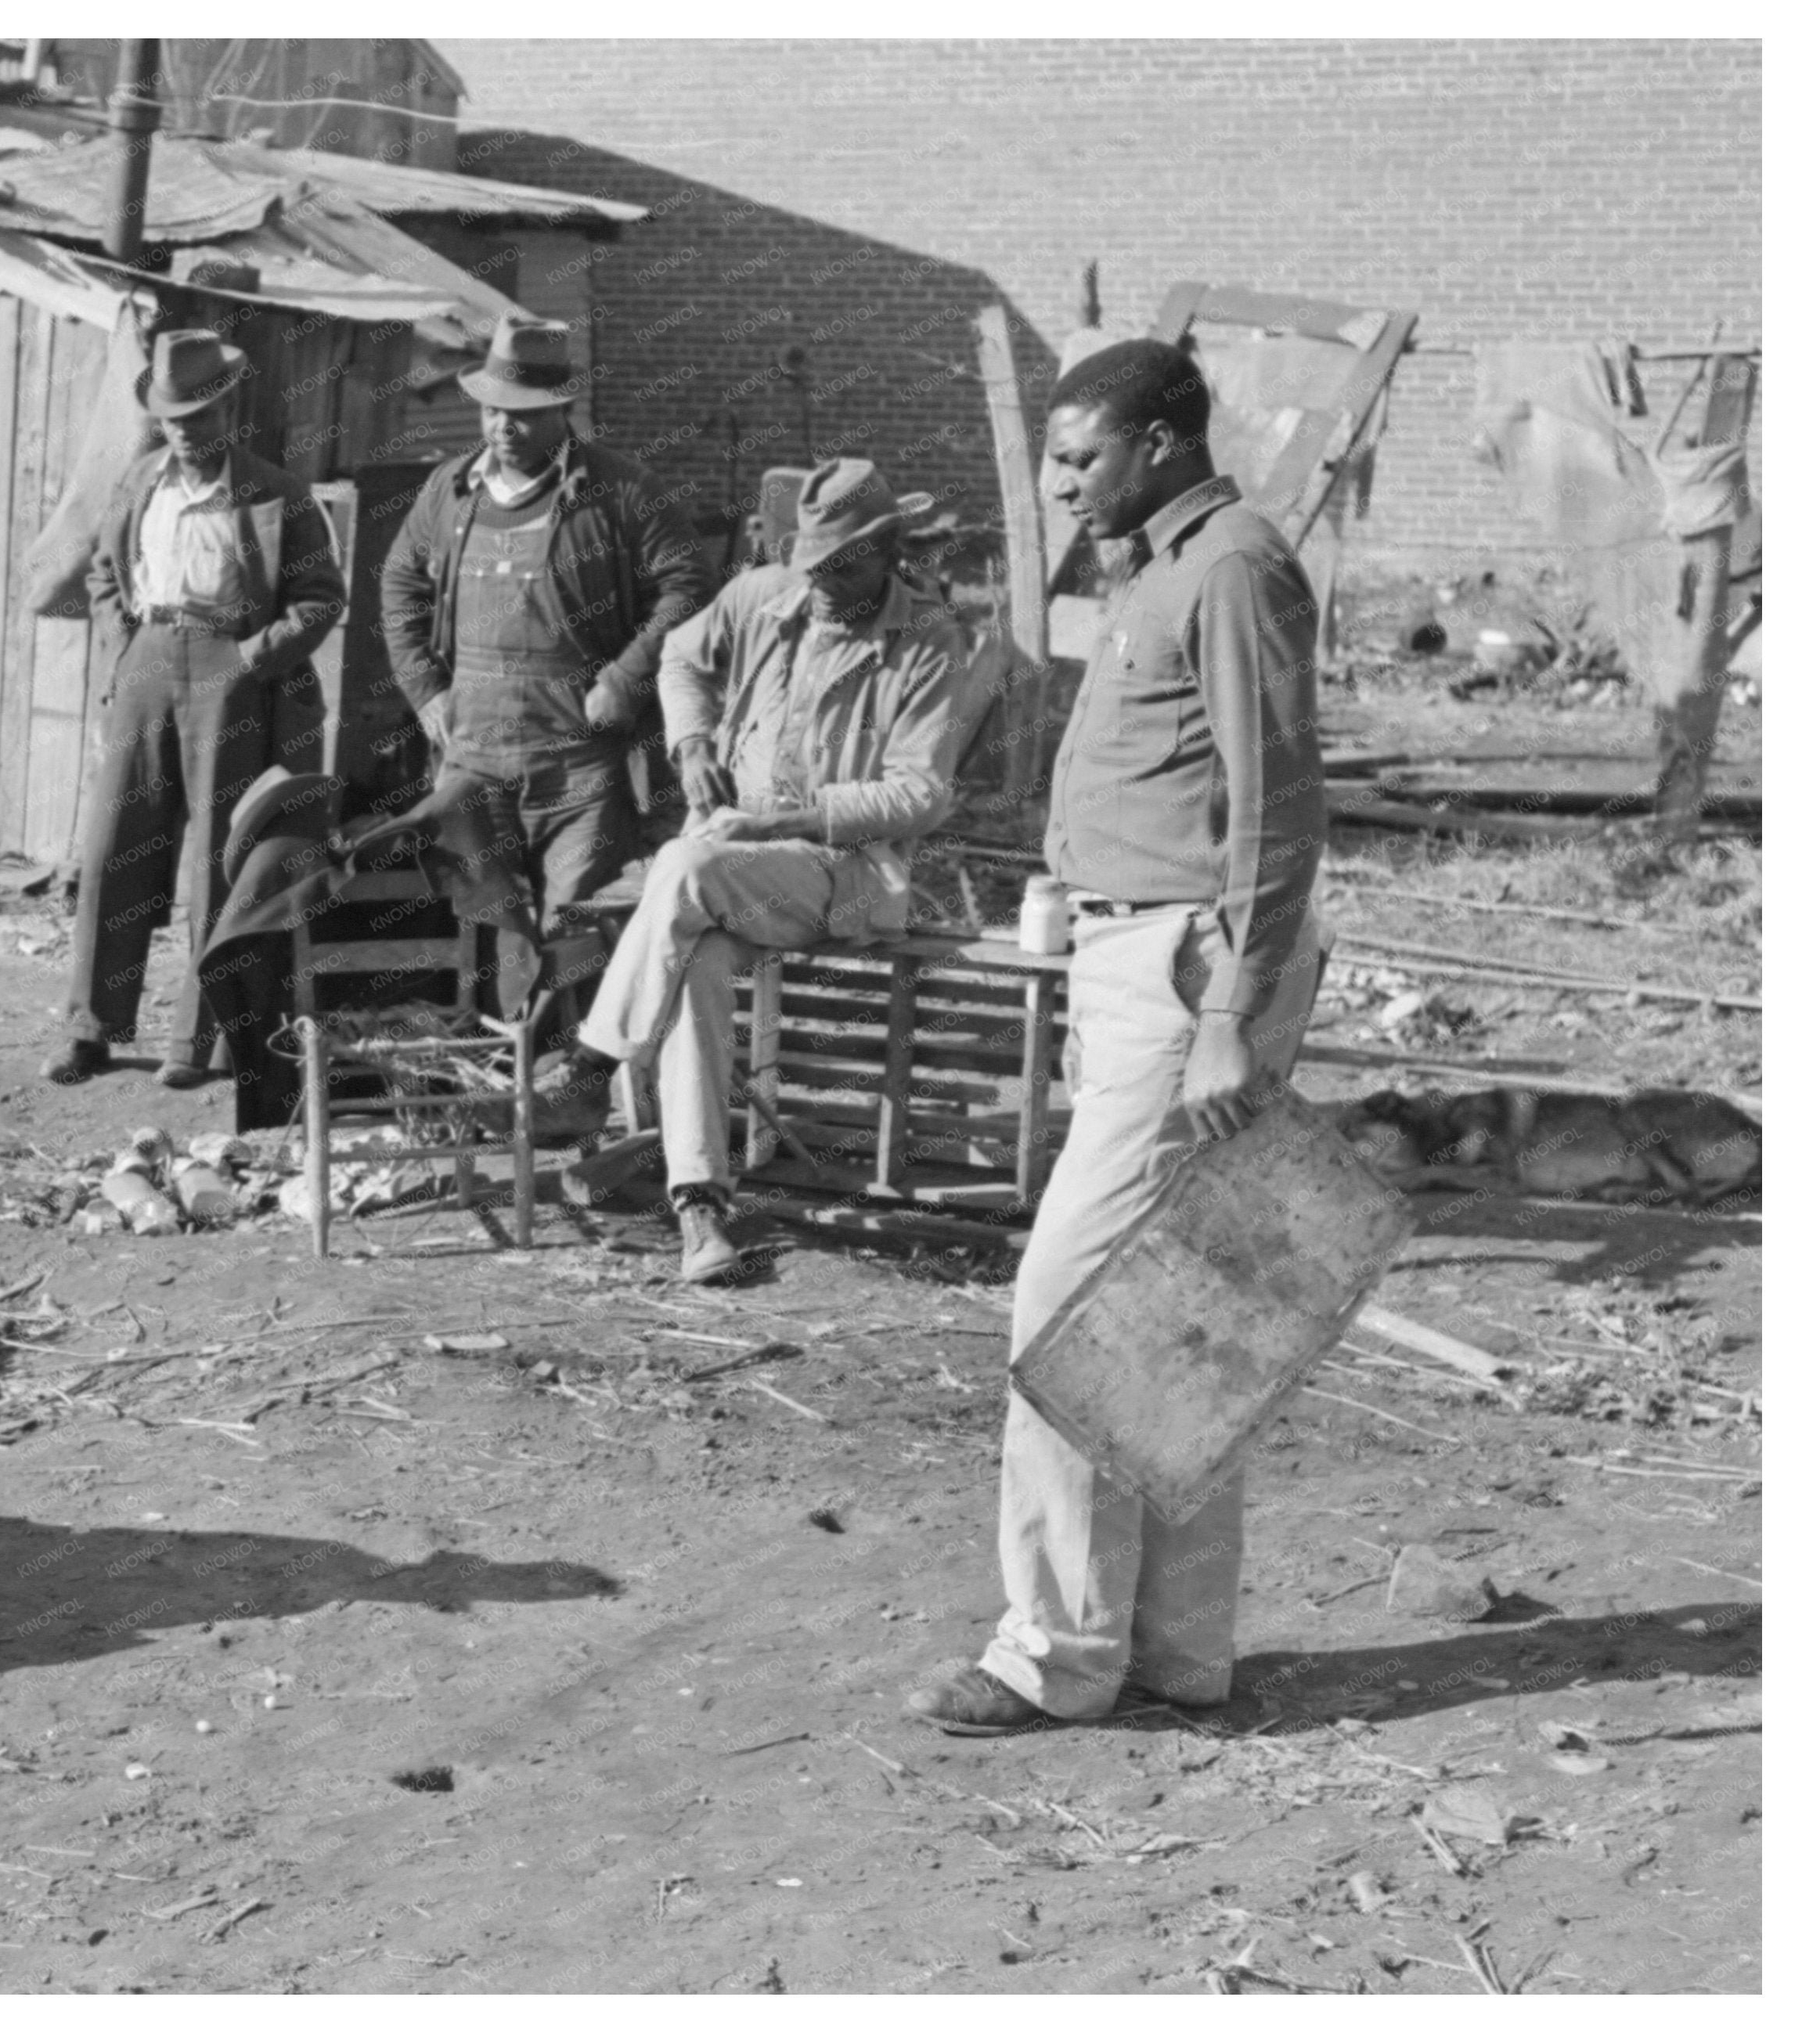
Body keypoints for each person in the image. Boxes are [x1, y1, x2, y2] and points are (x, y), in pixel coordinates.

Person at [905, 338, 1329, 1736]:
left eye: (1080, 455)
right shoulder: (1152, 567)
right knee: (1179, 1315)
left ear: (1157, 440)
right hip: (1128, 958)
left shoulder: (1227, 567)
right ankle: (1171, 1653)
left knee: (1069, 1314)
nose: (1059, 479)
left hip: (1187, 970)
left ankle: (1054, 1651)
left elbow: (1273, 808)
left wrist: (1224, 1013)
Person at [531, 459, 994, 1285]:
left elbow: (920, 793)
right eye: (809, 561)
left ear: (888, 549)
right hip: (726, 866)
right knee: (699, 963)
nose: (819, 583)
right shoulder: (762, 594)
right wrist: (694, 743)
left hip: (839, 871)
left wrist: (781, 819)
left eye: (842, 565)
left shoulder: (928, 639)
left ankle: (593, 1066)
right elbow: (678, 655)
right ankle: (700, 1206)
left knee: (688, 862)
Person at [45, 329, 345, 1090]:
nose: (189, 432)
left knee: (217, 854)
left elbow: (321, 599)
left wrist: (253, 657)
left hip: (230, 664)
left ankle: (197, 1037)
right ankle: (90, 1029)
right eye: (175, 419)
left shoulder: (279, 494)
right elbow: (105, 572)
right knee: (116, 844)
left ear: (227, 410)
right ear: (160, 420)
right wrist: (122, 643)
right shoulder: (141, 482)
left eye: (202, 416)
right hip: (148, 657)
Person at [378, 315, 709, 979]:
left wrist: (626, 676)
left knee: (574, 924)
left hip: (578, 760)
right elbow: (399, 583)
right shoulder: (450, 490)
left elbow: (689, 585)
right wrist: (424, 690)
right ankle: (509, 1063)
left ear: (565, 407)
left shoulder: (621, 489)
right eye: (493, 411)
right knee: (486, 919)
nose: (503, 427)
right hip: (472, 752)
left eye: (523, 415)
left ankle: (572, 1071)